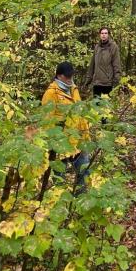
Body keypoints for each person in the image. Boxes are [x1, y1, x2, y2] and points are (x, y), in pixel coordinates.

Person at [42, 61, 91, 195]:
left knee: (84, 173)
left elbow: (81, 114)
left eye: (71, 76)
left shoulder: (74, 89)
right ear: (59, 75)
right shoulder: (51, 93)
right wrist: (53, 144)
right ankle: (60, 203)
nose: (70, 79)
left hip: (78, 141)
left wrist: (86, 136)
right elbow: (47, 121)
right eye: (67, 76)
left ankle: (81, 201)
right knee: (59, 180)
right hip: (61, 144)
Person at [85, 27, 122, 97]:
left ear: (108, 35)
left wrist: (116, 81)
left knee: (106, 104)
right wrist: (88, 79)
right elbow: (92, 65)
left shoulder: (113, 47)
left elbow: (116, 65)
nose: (103, 35)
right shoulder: (97, 47)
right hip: (97, 83)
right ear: (100, 35)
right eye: (102, 33)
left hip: (108, 83)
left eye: (105, 33)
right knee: (96, 103)